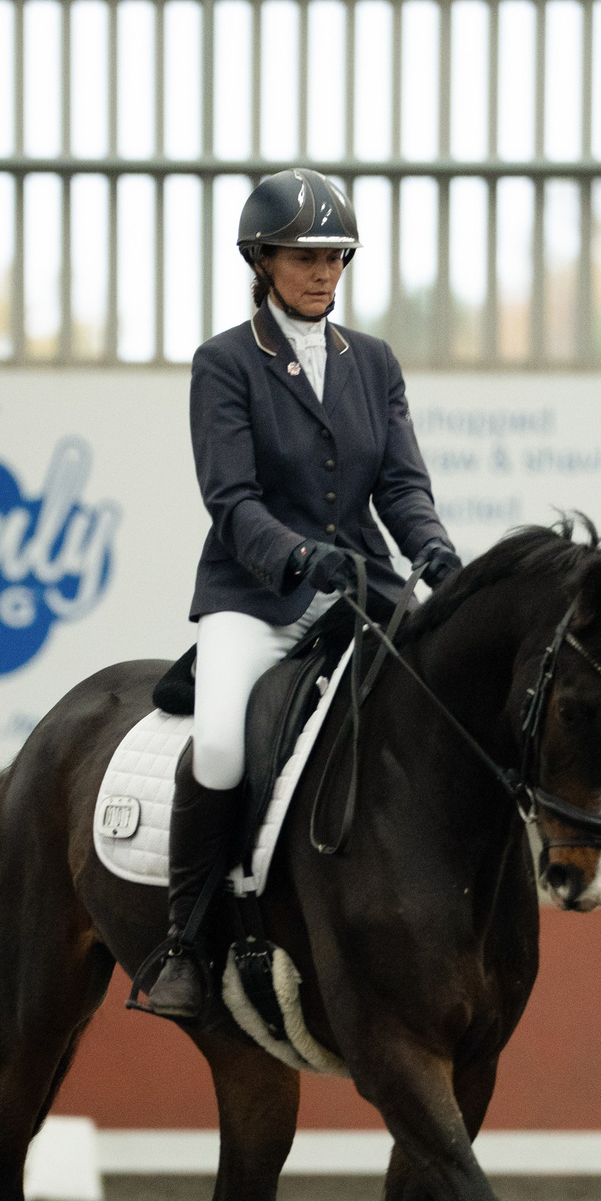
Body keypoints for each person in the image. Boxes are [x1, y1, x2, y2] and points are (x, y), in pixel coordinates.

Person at [129, 167, 464, 1021]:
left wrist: (436, 556)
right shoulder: (226, 363)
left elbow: (401, 487)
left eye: (336, 257)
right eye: (305, 256)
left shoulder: (373, 363)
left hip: (362, 587)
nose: (323, 273)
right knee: (221, 749)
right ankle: (185, 942)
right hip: (258, 596)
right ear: (263, 259)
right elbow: (231, 499)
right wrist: (296, 559)